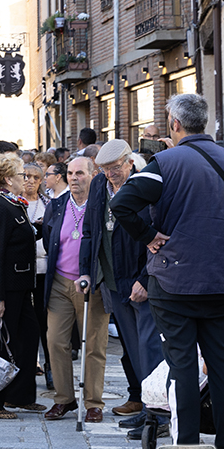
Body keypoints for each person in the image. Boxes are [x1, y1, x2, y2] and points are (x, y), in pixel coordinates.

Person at [110, 94, 224, 449]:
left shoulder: (165, 163)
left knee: (182, 369)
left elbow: (122, 205)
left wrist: (148, 236)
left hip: (175, 281)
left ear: (175, 125)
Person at [77, 139, 162, 431]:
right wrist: (85, 271)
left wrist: (144, 280)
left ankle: (159, 415)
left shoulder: (145, 183)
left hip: (140, 280)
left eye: (115, 168)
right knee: (133, 349)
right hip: (113, 280)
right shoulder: (100, 185)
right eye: (105, 169)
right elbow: (90, 229)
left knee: (150, 349)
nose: (111, 174)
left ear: (129, 161)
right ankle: (146, 407)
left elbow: (156, 239)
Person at [41, 156, 108, 424]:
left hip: (91, 284)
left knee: (93, 343)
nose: (74, 178)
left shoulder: (101, 205)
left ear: (92, 175)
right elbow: (49, 240)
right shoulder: (57, 205)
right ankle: (64, 398)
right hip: (59, 281)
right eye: (69, 173)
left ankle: (93, 403)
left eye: (80, 173)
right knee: (55, 340)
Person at [0, 154, 39, 419]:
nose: (26, 179)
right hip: (4, 289)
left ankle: (19, 396)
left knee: (27, 337)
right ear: (9, 179)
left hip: (20, 286)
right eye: (22, 175)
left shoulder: (13, 203)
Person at [22, 163, 51, 384]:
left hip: (44, 269)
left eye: (35, 177)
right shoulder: (14, 203)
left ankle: (50, 368)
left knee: (46, 321)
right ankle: (29, 364)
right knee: (26, 321)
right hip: (21, 270)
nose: (30, 181)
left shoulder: (48, 204)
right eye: (25, 176)